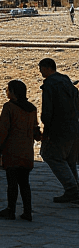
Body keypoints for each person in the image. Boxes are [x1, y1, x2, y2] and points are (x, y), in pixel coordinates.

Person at [0, 79, 39, 221]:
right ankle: (27, 211)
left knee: (12, 183)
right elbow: (35, 129)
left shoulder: (9, 107)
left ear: (13, 92)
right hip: (27, 151)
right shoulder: (31, 108)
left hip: (12, 150)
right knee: (25, 183)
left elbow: (3, 129)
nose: (7, 92)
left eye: (8, 90)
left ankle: (10, 210)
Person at [38, 57, 79, 204]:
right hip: (74, 127)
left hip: (59, 129)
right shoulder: (67, 83)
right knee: (70, 160)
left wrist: (46, 131)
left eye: (41, 68)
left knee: (51, 155)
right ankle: (75, 189)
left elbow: (47, 112)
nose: (40, 71)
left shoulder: (50, 85)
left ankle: (71, 189)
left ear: (47, 68)